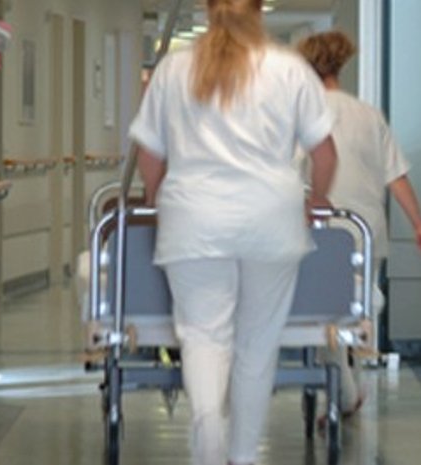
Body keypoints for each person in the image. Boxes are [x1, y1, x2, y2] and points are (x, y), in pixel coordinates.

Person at [128, 0, 338, 464]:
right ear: (260, 10)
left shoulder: (173, 70)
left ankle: (208, 436)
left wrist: (155, 197)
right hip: (271, 221)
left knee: (203, 337)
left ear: (208, 10)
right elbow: (324, 155)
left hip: (193, 220)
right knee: (257, 346)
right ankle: (242, 456)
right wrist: (317, 200)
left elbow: (149, 154)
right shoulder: (289, 69)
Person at [296, 30, 421, 417]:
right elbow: (396, 176)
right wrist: (420, 226)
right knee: (353, 310)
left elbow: (291, 171)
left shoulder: (302, 113)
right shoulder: (369, 115)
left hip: (323, 227)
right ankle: (350, 385)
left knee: (323, 312)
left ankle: (344, 390)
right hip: (366, 230)